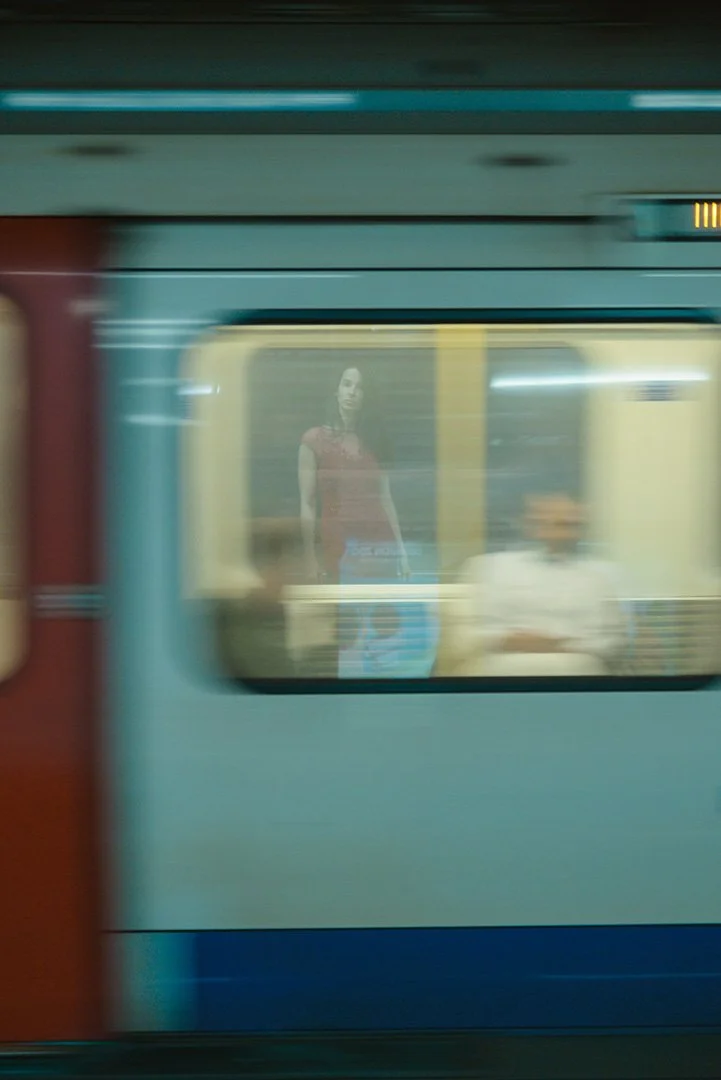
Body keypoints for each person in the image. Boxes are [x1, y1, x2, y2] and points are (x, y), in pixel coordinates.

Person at [456, 493, 626, 676]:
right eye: (557, 523)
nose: (566, 532)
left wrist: (561, 645)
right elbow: (467, 634)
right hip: (502, 667)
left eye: (573, 524)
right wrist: (510, 640)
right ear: (530, 524)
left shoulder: (598, 577)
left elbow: (611, 640)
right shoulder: (492, 568)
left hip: (575, 668)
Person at [298, 365, 410, 583]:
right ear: (336, 390)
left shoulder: (374, 441)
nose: (352, 392)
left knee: (382, 602)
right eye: (347, 384)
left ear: (365, 396)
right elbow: (307, 503)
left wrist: (402, 552)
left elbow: (386, 499)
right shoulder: (313, 440)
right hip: (337, 542)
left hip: (379, 544)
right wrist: (309, 557)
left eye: (359, 387)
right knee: (341, 602)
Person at [214, 518, 301, 680]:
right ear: (262, 569)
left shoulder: (274, 608)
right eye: (285, 567)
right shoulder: (240, 616)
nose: (289, 578)